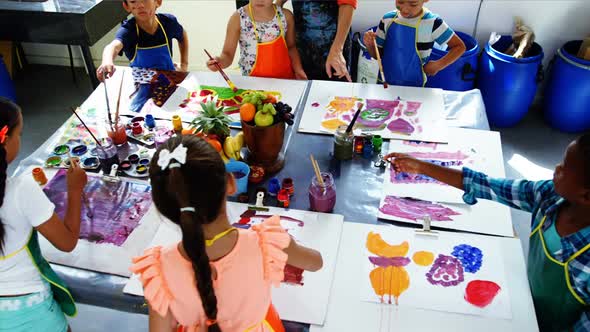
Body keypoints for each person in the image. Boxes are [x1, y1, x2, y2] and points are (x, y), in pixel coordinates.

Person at [385, 133, 590, 331]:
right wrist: (422, 167)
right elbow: (487, 185)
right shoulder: (549, 196)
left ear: (586, 196)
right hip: (524, 300)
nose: (556, 168)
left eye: (564, 168)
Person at [131, 135, 323, 331]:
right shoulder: (267, 243)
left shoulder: (158, 272)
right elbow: (316, 262)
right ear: (231, 183)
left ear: (164, 208)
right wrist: (286, 244)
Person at [0, 98, 87, 332]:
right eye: (19, 134)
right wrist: (75, 190)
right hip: (32, 314)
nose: (20, 139)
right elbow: (67, 242)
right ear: (5, 141)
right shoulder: (20, 189)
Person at [97, 0, 189, 112]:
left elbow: (182, 35)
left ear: (158, 2)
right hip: (143, 86)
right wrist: (107, 60)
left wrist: (184, 63)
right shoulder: (128, 30)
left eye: (145, 0)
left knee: (181, 109)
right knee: (139, 116)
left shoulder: (168, 22)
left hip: (169, 79)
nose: (140, 5)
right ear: (127, 6)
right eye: (133, 1)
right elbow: (113, 46)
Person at [363, 0, 466, 87]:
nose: (405, 9)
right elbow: (378, 55)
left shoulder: (432, 23)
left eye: (413, 4)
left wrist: (438, 65)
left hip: (414, 87)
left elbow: (459, 47)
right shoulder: (387, 19)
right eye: (400, 1)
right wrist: (370, 45)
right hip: (385, 84)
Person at [207, 0, 307, 80]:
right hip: (253, 84)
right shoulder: (238, 18)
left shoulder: (286, 16)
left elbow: (291, 47)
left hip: (285, 81)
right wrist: (220, 62)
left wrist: (298, 69)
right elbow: (227, 54)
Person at [272, 0, 357, 81]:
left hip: (334, 44)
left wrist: (337, 49)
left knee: (335, 90)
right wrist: (274, 13)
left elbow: (347, 3)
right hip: (303, 46)